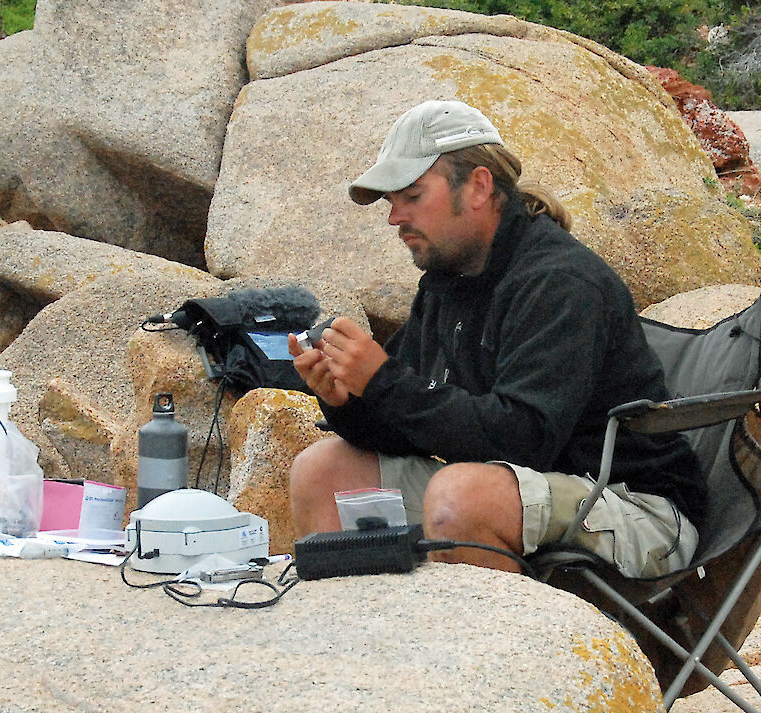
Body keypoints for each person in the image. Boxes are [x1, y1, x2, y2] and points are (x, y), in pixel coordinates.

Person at [286, 100, 706, 577]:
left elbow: (523, 440)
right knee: (324, 473)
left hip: (634, 508)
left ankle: (492, 652)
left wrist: (381, 380)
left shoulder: (559, 282)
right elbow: (413, 423)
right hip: (517, 488)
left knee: (461, 496)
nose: (394, 217)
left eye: (412, 195)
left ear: (480, 186)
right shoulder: (450, 279)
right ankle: (368, 641)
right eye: (391, 201)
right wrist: (348, 399)